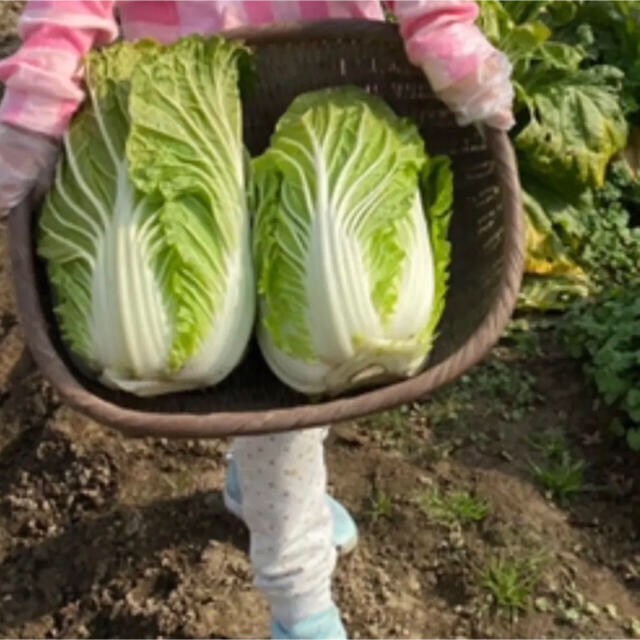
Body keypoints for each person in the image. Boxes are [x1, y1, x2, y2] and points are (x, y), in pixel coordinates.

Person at [0, 2, 514, 638]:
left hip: (321, 87)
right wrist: (37, 97)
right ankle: (300, 604)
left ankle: (264, 516)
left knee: (299, 400)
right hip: (181, 111)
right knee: (284, 416)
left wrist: (441, 27)